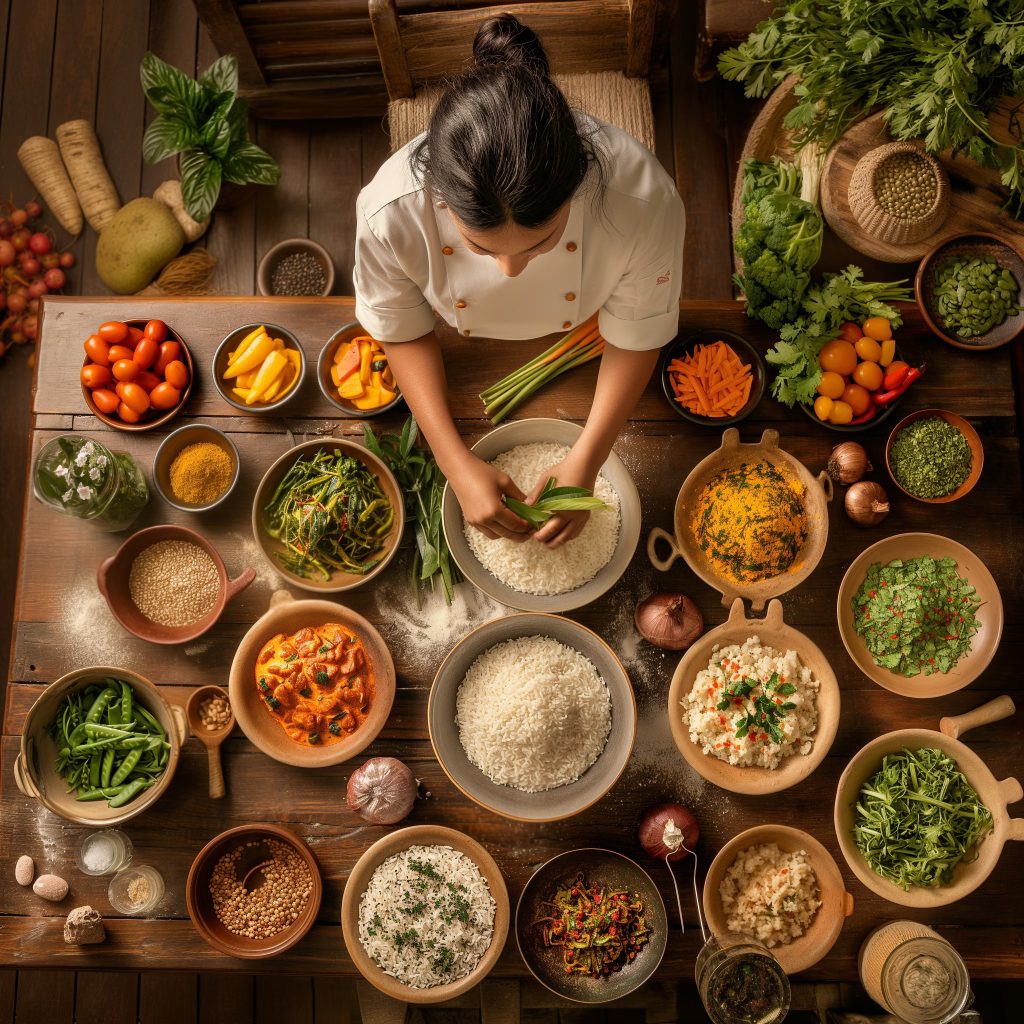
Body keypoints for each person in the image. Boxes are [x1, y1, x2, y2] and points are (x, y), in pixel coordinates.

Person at [354, 13, 684, 547]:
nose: (511, 269)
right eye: (481, 248)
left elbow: (638, 329)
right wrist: (453, 459)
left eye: (541, 243)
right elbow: (400, 325)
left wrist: (588, 455)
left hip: (588, 342)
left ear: (577, 189)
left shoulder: (644, 203)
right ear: (439, 197)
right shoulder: (386, 212)